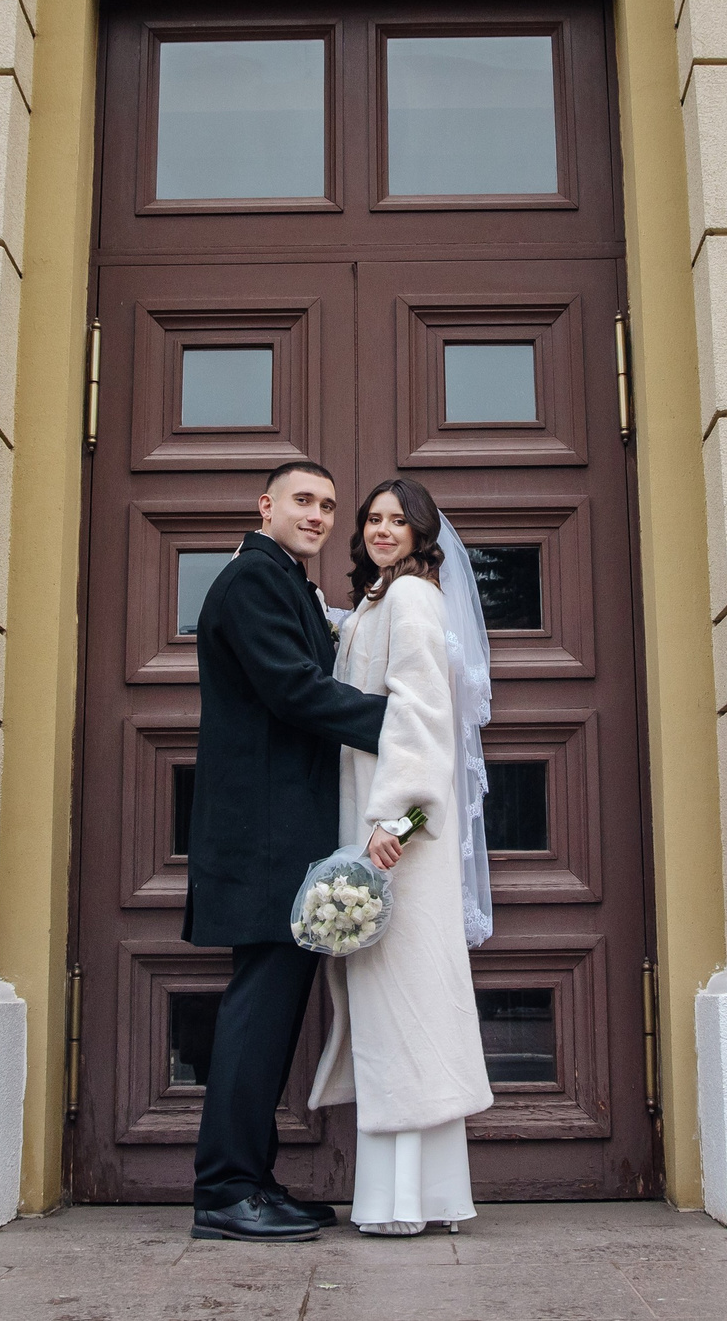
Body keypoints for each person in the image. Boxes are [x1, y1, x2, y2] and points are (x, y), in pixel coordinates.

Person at [185, 460, 392, 1243]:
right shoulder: (252, 582)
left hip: (280, 832)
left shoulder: (282, 581)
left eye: (329, 506)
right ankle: (224, 1189)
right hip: (262, 834)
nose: (319, 515)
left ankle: (253, 1179)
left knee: (270, 1015)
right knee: (256, 1012)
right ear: (266, 506)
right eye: (304, 501)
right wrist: (401, 722)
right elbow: (294, 690)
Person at [308, 476, 495, 1237]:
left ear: (421, 533)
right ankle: (419, 1196)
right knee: (396, 1017)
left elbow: (420, 710)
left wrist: (396, 817)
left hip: (399, 843)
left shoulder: (414, 598)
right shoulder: (380, 603)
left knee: (406, 1012)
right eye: (374, 519)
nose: (383, 529)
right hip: (382, 836)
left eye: (398, 520)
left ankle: (407, 1200)